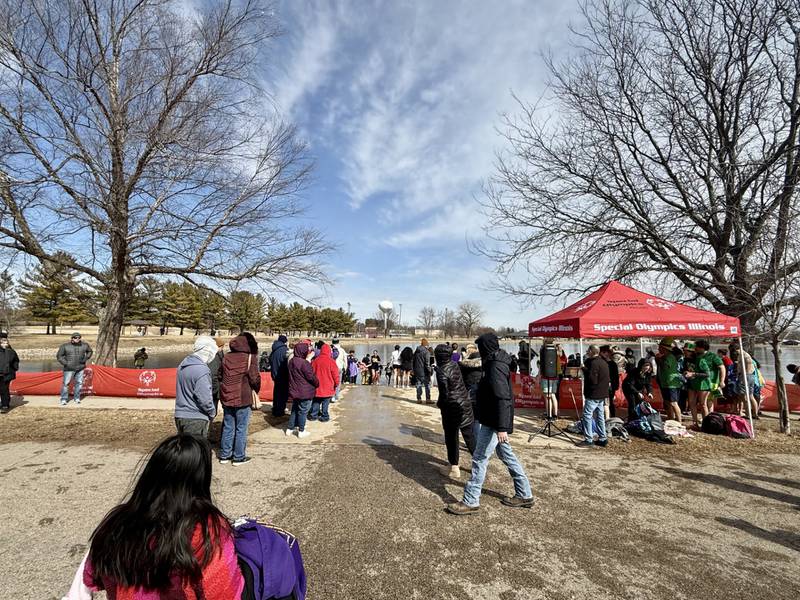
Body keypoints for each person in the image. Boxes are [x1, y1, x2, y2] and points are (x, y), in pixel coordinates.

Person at [65, 434, 245, 599]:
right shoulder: (205, 530)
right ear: (201, 479)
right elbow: (225, 591)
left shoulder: (116, 523)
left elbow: (90, 575)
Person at [447, 333, 533, 515]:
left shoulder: (494, 366)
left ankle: (470, 500)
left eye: (480, 348)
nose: (479, 351)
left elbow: (502, 397)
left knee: (479, 458)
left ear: (486, 348)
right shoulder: (495, 362)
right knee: (507, 455)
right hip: (492, 418)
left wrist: (501, 427)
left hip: (494, 421)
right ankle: (525, 493)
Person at [434, 344, 476, 479]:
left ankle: (454, 467)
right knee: (469, 436)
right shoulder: (455, 364)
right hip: (465, 403)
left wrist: (440, 404)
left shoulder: (441, 370)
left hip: (452, 407)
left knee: (451, 438)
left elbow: (444, 393)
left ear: (438, 357)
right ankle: (480, 465)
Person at [218, 333, 260, 466]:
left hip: (227, 396)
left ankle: (225, 455)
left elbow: (220, 375)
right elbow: (254, 378)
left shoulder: (226, 357)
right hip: (242, 397)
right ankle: (238, 457)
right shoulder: (250, 357)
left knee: (228, 426)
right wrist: (256, 389)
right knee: (241, 428)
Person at [174, 336, 218, 438]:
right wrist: (212, 412)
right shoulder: (202, 370)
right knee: (196, 451)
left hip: (180, 415)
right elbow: (204, 399)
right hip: (196, 417)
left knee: (185, 450)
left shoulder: (183, 365)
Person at [685, 339, 725, 428]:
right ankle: (695, 422)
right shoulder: (693, 357)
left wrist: (722, 381)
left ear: (702, 348)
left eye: (696, 347)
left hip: (707, 383)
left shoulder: (712, 356)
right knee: (693, 403)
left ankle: (708, 423)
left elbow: (721, 368)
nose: (695, 349)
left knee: (706, 403)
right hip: (693, 383)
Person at [578, 345, 610, 448]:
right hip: (601, 394)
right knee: (599, 416)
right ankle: (602, 438)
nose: (587, 351)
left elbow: (593, 380)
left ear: (592, 351)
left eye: (588, 350)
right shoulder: (603, 362)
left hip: (594, 394)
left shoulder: (594, 363)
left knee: (587, 415)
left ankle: (589, 439)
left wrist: (584, 369)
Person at [286, 342, 319, 438]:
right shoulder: (304, 363)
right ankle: (301, 430)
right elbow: (311, 377)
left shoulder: (292, 361)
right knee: (303, 411)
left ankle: (290, 428)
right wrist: (317, 383)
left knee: (295, 409)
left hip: (295, 389)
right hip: (305, 391)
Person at [56, 332, 93, 406]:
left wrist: (86, 358)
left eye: (79, 338)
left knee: (79, 383)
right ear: (72, 338)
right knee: (66, 384)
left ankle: (77, 398)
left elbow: (90, 351)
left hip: (80, 368)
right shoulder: (65, 346)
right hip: (69, 368)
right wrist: (66, 363)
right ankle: (64, 399)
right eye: (75, 338)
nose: (77, 339)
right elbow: (59, 356)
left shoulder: (85, 345)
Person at [309, 343, 339, 423]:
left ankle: (313, 415)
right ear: (329, 351)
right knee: (325, 403)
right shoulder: (331, 362)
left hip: (317, 386)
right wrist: (336, 384)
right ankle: (324, 416)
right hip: (328, 386)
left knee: (316, 401)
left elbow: (311, 373)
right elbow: (335, 375)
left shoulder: (315, 361)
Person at [655, 337, 683, 422]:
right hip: (665, 383)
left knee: (673, 403)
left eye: (660, 347)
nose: (658, 349)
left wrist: (658, 359)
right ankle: (671, 419)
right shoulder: (664, 357)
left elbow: (665, 366)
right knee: (667, 403)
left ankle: (679, 422)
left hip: (672, 384)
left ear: (664, 348)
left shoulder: (670, 357)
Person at [459, 343, 482, 434]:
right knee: (479, 416)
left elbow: (462, 376)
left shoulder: (465, 363)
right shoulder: (485, 360)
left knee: (473, 415)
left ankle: (474, 439)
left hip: (470, 387)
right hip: (482, 387)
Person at [269, 335, 290, 417]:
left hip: (275, 374)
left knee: (276, 392)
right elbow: (286, 363)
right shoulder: (284, 350)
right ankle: (280, 411)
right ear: (285, 341)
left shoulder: (274, 349)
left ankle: (275, 408)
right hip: (282, 374)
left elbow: (270, 360)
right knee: (282, 394)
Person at [0, 334, 19, 414]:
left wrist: (14, 368)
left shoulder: (11, 352)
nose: (5, 345)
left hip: (7, 374)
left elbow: (16, 361)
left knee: (4, 390)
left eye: (6, 343)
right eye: (3, 343)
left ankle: (5, 405)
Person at [599, 344, 619, 420]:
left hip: (610, 386)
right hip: (604, 385)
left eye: (604, 352)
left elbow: (615, 376)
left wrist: (615, 386)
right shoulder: (602, 362)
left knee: (608, 403)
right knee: (605, 403)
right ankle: (605, 417)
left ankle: (611, 417)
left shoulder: (612, 364)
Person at [413, 339, 433, 403]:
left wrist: (413, 369)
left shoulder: (416, 351)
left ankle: (419, 399)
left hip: (417, 370)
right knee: (427, 385)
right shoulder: (426, 352)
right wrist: (430, 370)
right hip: (424, 371)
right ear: (426, 344)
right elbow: (427, 364)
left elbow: (413, 361)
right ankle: (428, 399)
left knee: (418, 384)